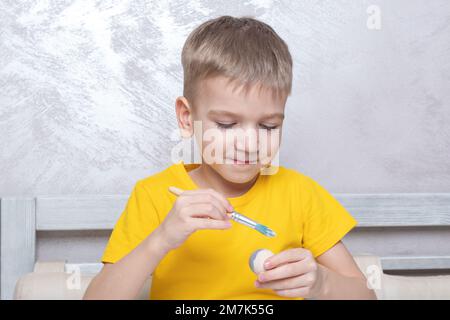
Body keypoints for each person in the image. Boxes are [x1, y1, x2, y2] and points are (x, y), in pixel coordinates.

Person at [83, 16, 376, 300]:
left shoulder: (300, 195)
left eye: (268, 126)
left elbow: (366, 296)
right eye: (226, 124)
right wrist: (160, 240)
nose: (249, 144)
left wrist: (322, 283)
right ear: (187, 118)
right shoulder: (153, 196)